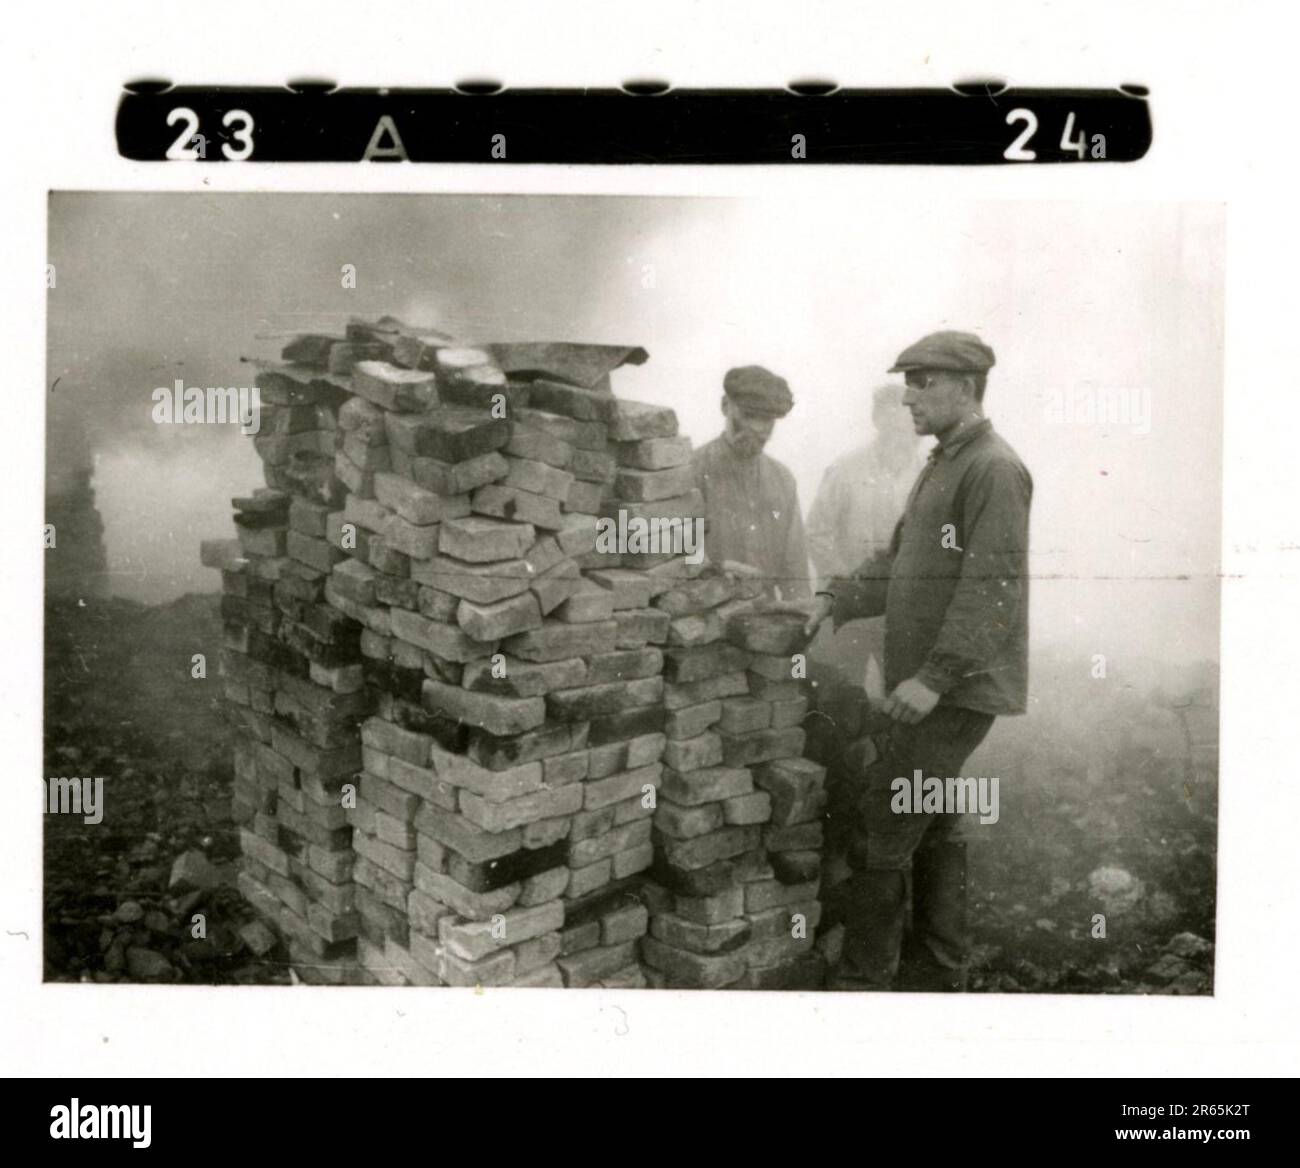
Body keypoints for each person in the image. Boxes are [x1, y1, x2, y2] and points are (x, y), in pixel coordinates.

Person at [805, 330, 1032, 991]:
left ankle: (864, 984)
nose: (909, 395)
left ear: (966, 388)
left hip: (953, 692)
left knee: (886, 824)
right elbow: (899, 563)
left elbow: (992, 589)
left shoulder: (992, 468)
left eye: (924, 381)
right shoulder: (943, 463)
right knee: (933, 818)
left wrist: (934, 678)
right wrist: (837, 600)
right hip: (937, 686)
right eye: (907, 382)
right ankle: (939, 969)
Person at [805, 383, 925, 682]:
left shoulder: (927, 475)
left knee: (902, 697)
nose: (901, 431)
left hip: (903, 613)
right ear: (877, 420)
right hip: (848, 612)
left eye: (907, 422)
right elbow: (818, 532)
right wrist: (846, 587)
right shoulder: (845, 469)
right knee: (841, 695)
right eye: (892, 422)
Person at [692, 365, 811, 602]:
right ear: (725, 406)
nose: (757, 428)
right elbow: (668, 559)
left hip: (765, 619)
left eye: (766, 419)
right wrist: (715, 568)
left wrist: (801, 621)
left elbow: (795, 570)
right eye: (748, 415)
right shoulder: (690, 470)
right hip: (702, 618)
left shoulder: (783, 480)